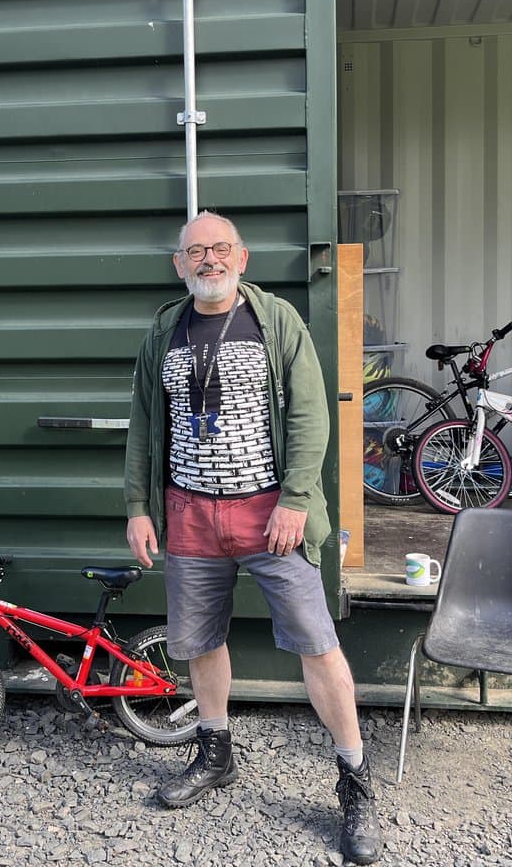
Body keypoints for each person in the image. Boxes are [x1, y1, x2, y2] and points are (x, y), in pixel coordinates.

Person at [124, 211, 382, 865]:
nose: (207, 260)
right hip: (186, 512)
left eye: (219, 249)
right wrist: (138, 505)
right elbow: (143, 425)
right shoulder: (165, 330)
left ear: (242, 258)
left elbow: (309, 412)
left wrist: (297, 497)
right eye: (194, 252)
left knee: (317, 643)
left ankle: (353, 779)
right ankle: (214, 753)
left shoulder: (275, 321)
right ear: (178, 265)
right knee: (198, 642)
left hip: (268, 514)